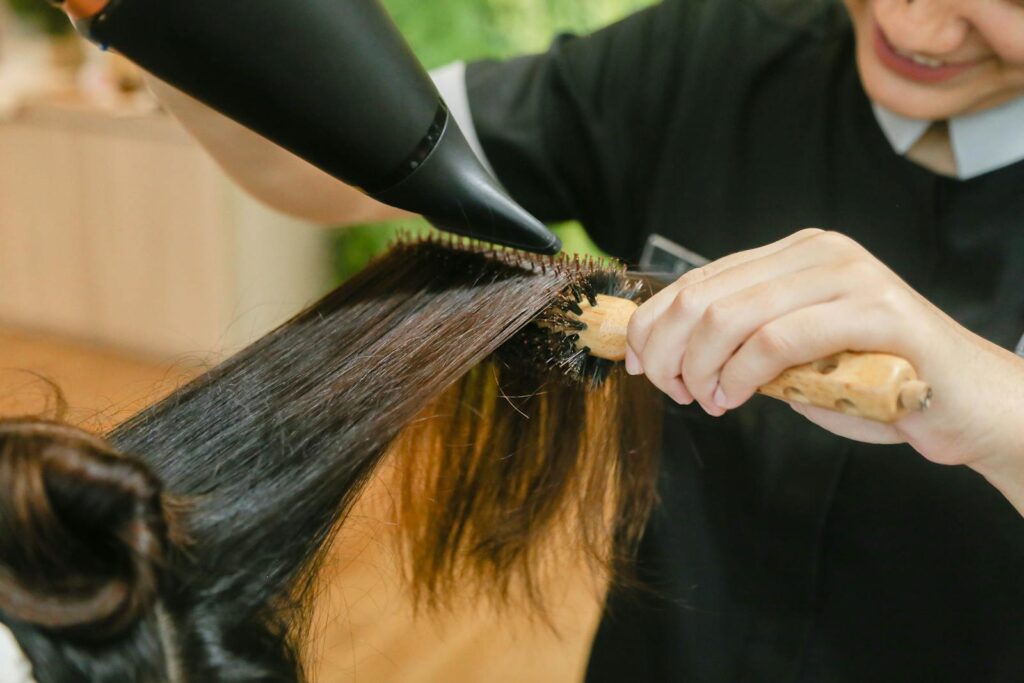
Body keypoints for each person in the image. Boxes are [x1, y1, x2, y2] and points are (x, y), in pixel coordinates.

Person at [151, 0, 1024, 680]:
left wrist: (996, 403)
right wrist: (142, 23)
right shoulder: (708, 55)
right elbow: (309, 157)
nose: (918, 22)